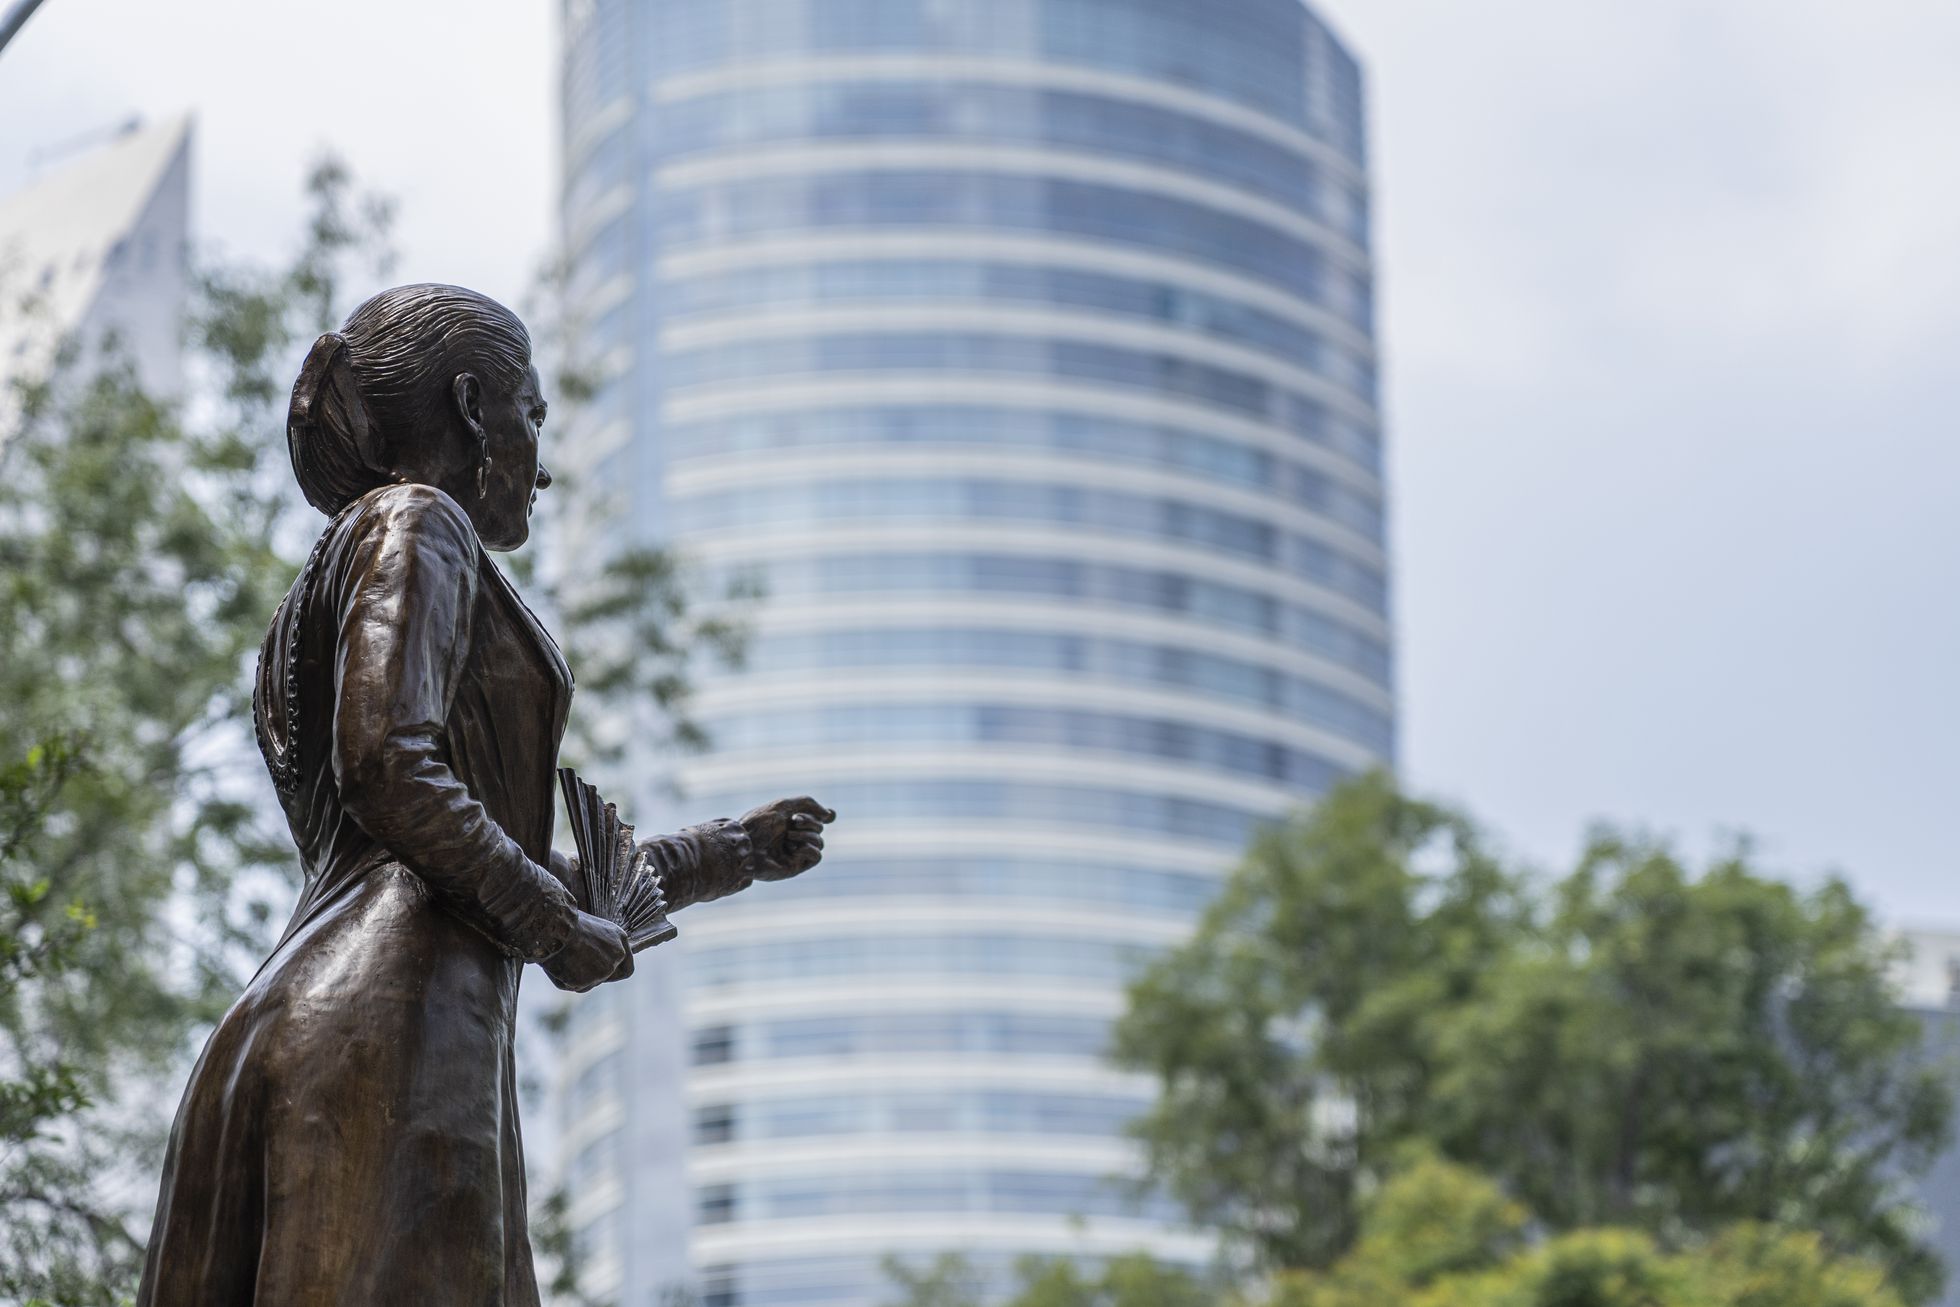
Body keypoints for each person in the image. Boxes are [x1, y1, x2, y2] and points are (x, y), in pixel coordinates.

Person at [137, 284, 833, 1306]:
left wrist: (729, 849)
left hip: (310, 1020)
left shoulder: (332, 573)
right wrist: (553, 925)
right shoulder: (422, 521)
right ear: (472, 405)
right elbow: (388, 765)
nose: (542, 462)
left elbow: (468, 834)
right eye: (532, 414)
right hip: (397, 1031)